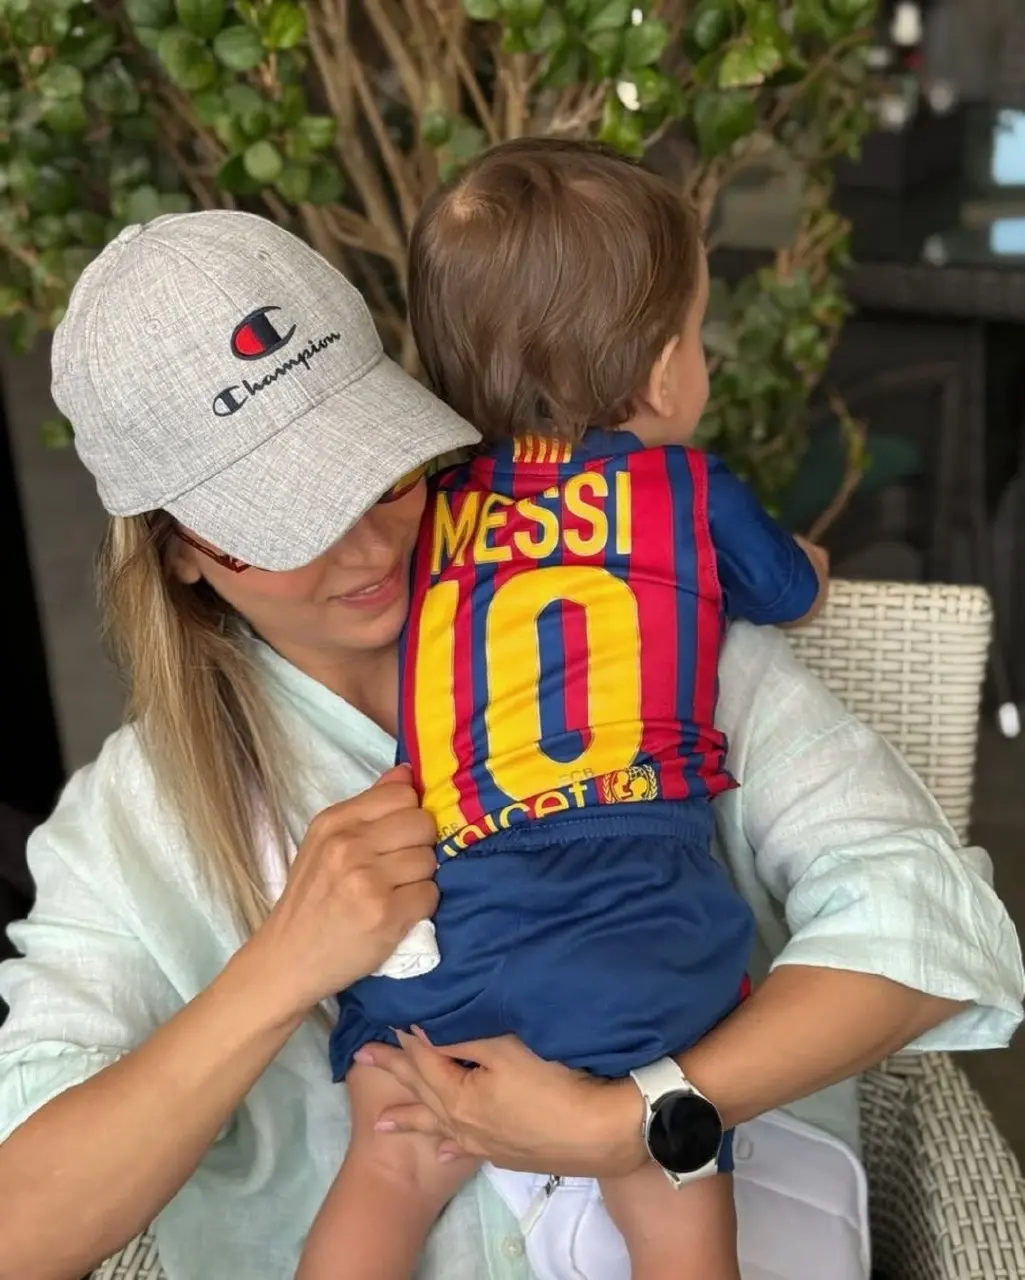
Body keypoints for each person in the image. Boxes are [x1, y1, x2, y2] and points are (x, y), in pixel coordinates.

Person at [0, 209, 1019, 1280]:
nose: (366, 545)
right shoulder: (137, 822)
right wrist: (279, 970)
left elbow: (929, 925)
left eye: (382, 473)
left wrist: (638, 1116)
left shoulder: (641, 618)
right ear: (177, 553)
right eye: (286, 522)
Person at [301, 140, 830, 1280]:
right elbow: (786, 593)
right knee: (671, 1196)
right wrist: (810, 564)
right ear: (661, 375)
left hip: (439, 925)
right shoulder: (685, 491)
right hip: (625, 927)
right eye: (697, 332)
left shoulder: (431, 510)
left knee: (387, 1164)